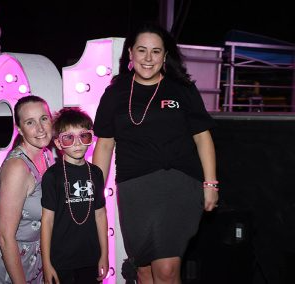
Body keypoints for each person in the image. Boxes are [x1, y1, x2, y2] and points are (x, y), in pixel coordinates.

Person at [92, 22, 219, 284]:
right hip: (134, 188)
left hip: (178, 184)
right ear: (130, 53)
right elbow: (104, 145)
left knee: (166, 270)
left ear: (165, 56)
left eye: (156, 51)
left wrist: (211, 183)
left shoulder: (181, 89)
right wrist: (95, 194)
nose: (148, 58)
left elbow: (203, 138)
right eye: (142, 50)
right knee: (144, 270)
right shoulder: (115, 93)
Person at [0, 95, 55, 284]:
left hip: (37, 257)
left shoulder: (47, 155)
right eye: (30, 122)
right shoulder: (17, 168)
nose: (40, 128)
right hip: (10, 263)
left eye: (44, 119)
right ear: (20, 129)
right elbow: (6, 237)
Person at [41, 107, 109, 284]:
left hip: (90, 257)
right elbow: (47, 221)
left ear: (90, 139)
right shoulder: (52, 176)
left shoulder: (96, 173)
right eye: (69, 138)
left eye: (83, 135)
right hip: (61, 259)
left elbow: (100, 215)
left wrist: (104, 254)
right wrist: (46, 263)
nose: (77, 143)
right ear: (58, 143)